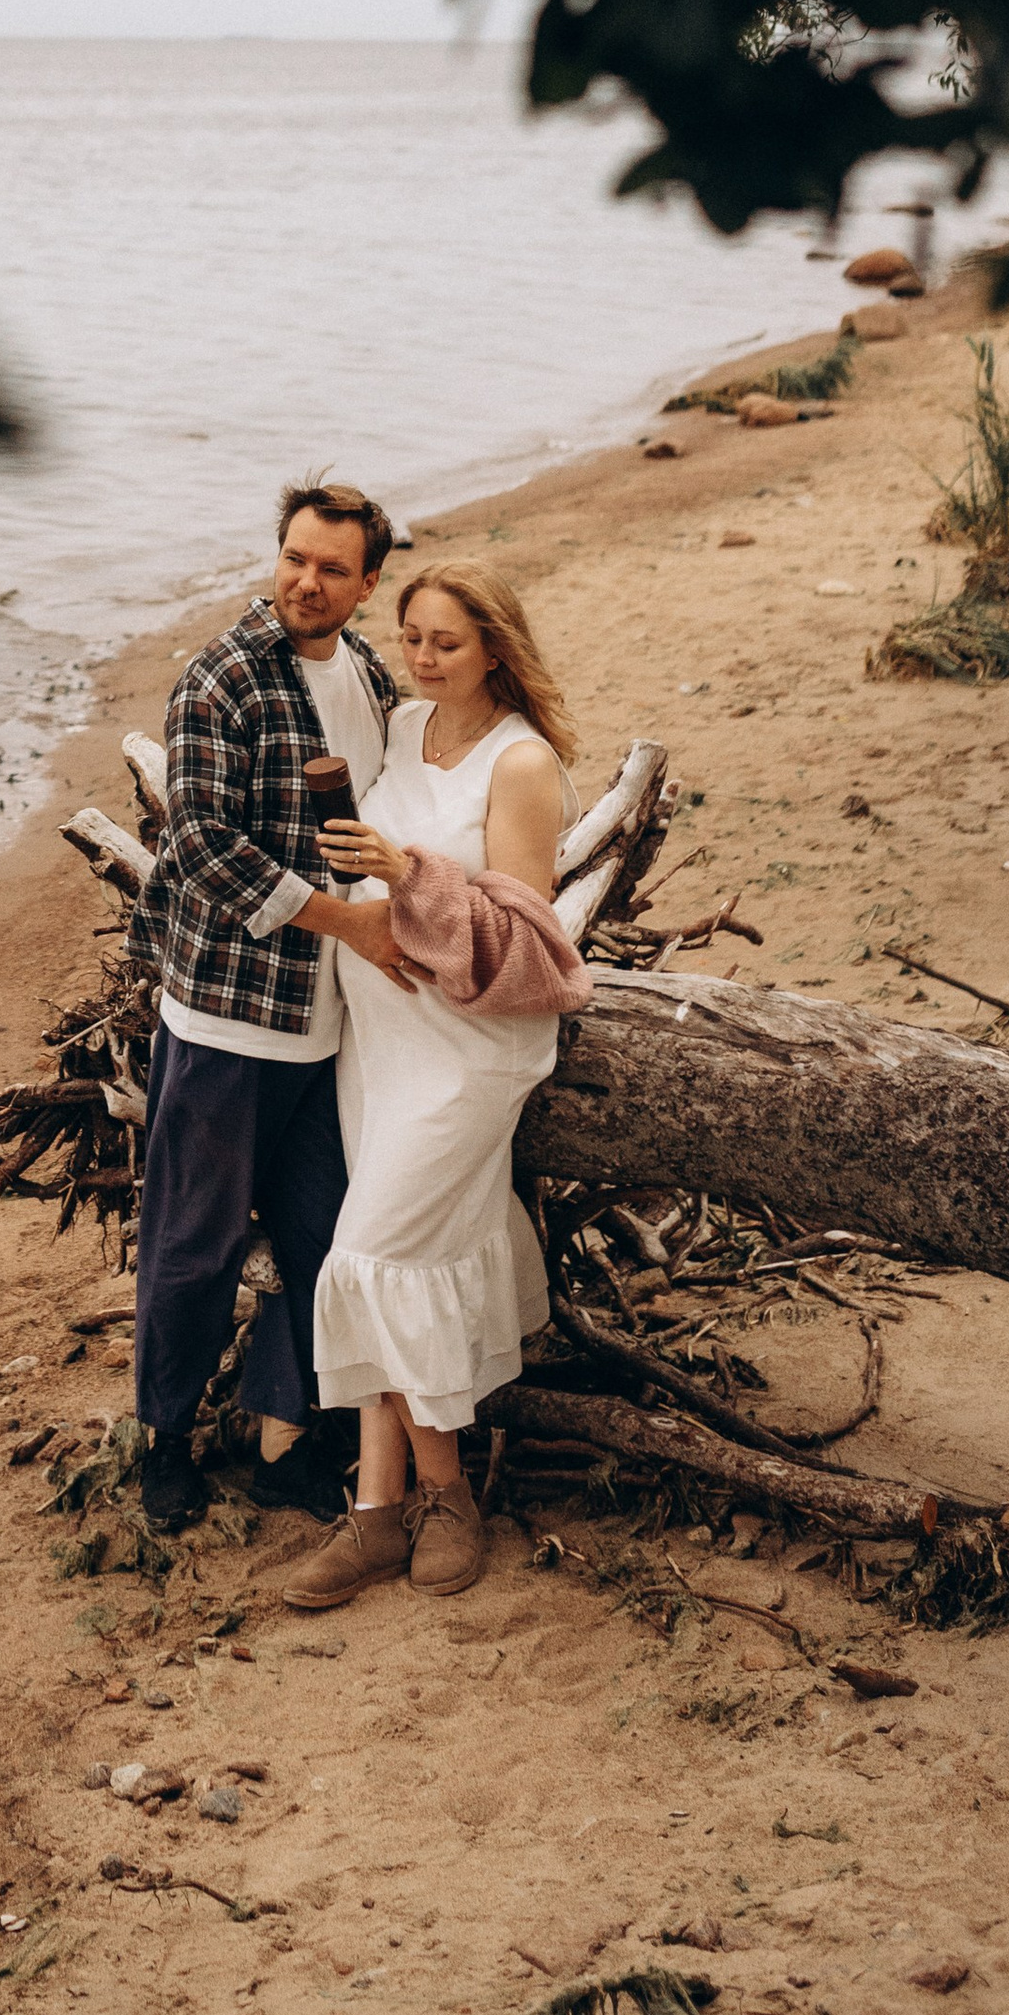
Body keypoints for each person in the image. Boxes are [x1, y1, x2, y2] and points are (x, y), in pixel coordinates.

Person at [283, 559, 592, 1610]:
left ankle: (448, 1496)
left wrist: (398, 870)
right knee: (399, 1257)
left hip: (467, 1045)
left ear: (495, 648)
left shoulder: (522, 765)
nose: (419, 658)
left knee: (372, 1252)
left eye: (445, 642)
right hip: (381, 1036)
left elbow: (521, 932)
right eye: (409, 635)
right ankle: (378, 1512)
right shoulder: (401, 725)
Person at [131, 478, 415, 1538]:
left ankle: (279, 1441)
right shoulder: (221, 683)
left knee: (328, 1242)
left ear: (367, 583)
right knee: (191, 1245)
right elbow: (200, 844)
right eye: (295, 557)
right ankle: (161, 1444)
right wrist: (349, 930)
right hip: (226, 1026)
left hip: (334, 1030)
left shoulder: (372, 678)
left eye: (332, 568)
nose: (306, 580)